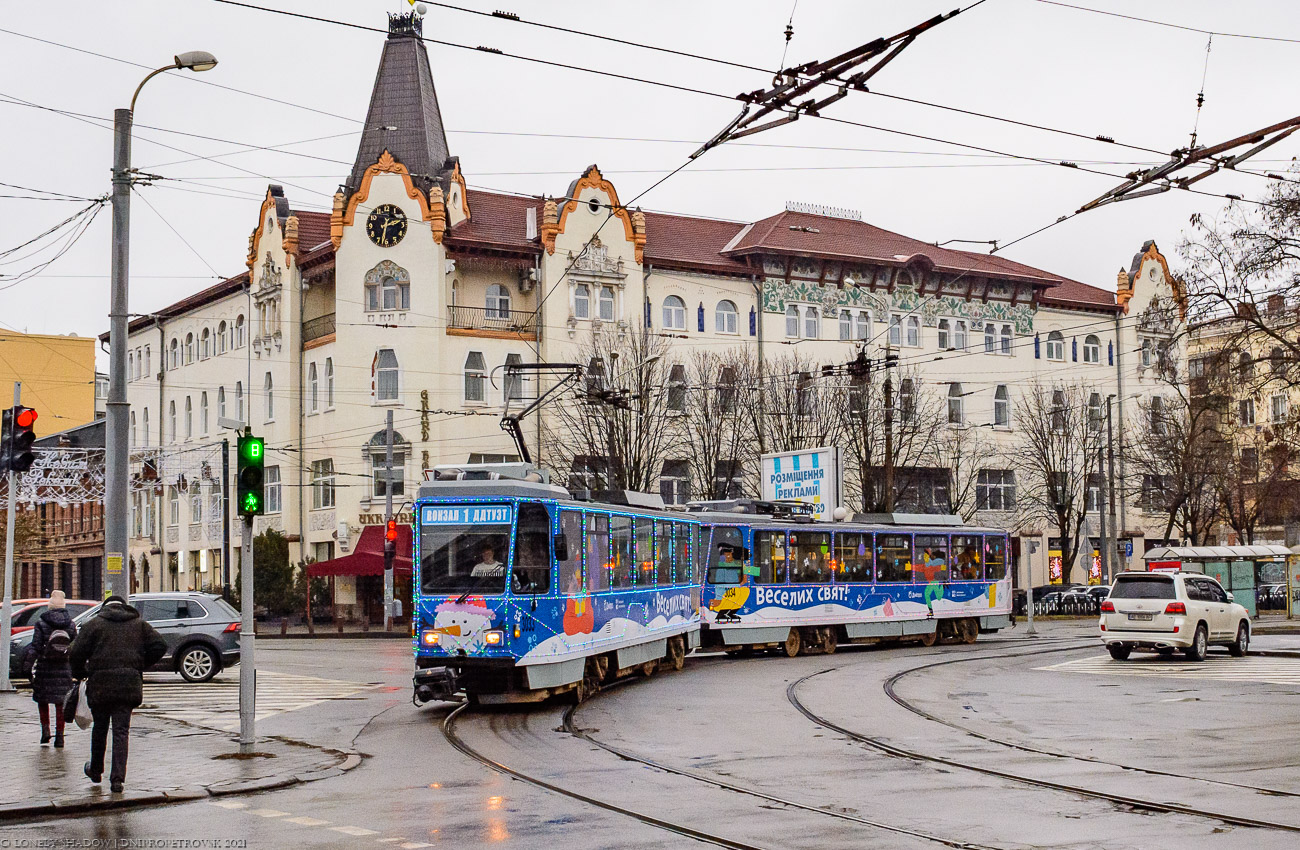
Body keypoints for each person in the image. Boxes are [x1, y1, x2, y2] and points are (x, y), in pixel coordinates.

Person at [68, 595, 166, 794]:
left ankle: (96, 771)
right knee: (121, 731)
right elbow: (160, 645)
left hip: (100, 685)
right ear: (124, 607)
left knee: (100, 728)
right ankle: (117, 780)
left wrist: (81, 672)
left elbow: (75, 652)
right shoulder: (139, 625)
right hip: (128, 685)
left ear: (104, 608)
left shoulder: (94, 625)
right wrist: (140, 665)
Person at [29, 590, 78, 748]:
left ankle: (45, 731)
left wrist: (27, 667)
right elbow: (75, 647)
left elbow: (35, 646)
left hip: (45, 667)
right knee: (60, 703)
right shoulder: (70, 624)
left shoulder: (41, 623)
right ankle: (60, 736)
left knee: (42, 700)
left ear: (50, 606)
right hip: (64, 667)